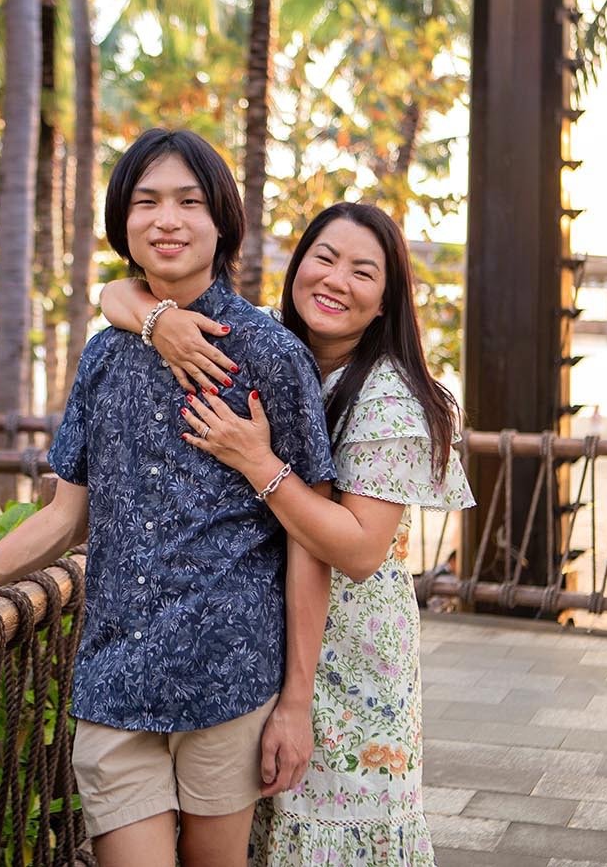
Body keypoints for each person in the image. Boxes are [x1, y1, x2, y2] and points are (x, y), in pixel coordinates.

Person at [0, 128, 338, 867]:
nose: (166, 220)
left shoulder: (270, 353)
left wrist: (295, 704)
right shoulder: (104, 352)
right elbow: (63, 516)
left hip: (229, 677)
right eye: (146, 202)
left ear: (222, 223)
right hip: (114, 678)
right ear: (123, 223)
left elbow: (311, 538)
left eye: (188, 202)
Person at [100, 201, 475, 865]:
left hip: (344, 664)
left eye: (363, 272)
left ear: (386, 301)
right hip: (258, 650)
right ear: (296, 266)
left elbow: (359, 549)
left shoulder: (391, 399)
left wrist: (258, 461)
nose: (335, 281)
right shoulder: (267, 345)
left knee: (328, 840)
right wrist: (156, 320)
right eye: (323, 259)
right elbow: (121, 291)